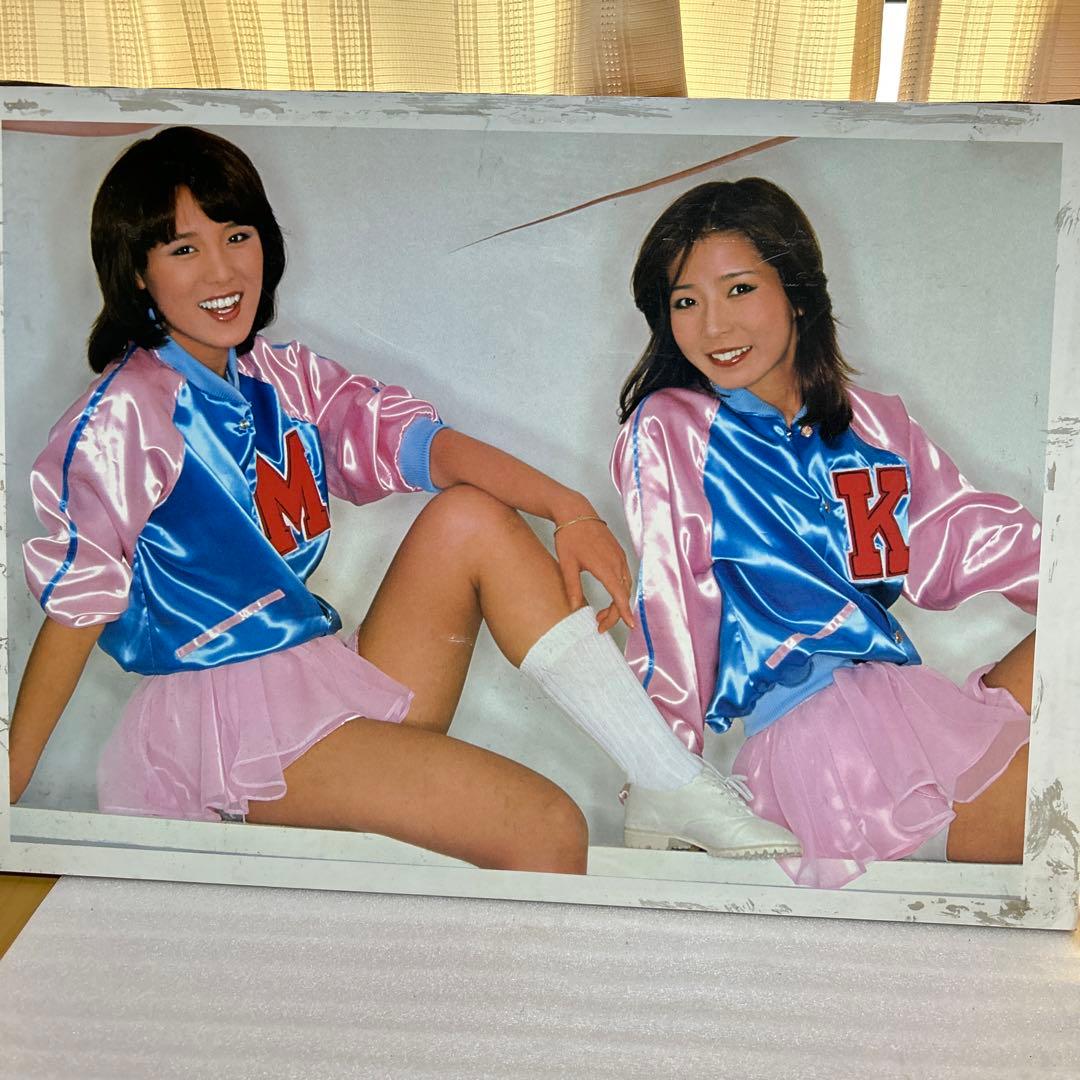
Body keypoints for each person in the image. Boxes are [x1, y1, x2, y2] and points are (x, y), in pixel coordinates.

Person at [8, 128, 799, 875]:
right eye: (185, 249)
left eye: (237, 236)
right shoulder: (126, 413)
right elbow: (78, 607)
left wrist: (571, 509)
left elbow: (424, 448)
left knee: (470, 516)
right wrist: (8, 785)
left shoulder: (281, 378)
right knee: (547, 826)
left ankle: (662, 776)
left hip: (313, 683)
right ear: (137, 271)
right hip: (221, 734)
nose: (222, 272)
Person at [612, 177, 1039, 888]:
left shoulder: (875, 424)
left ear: (799, 295)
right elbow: (672, 603)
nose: (713, 326)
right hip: (818, 756)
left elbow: (962, 535)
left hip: (913, 720)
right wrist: (662, 774)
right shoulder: (675, 428)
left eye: (739, 290)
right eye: (686, 302)